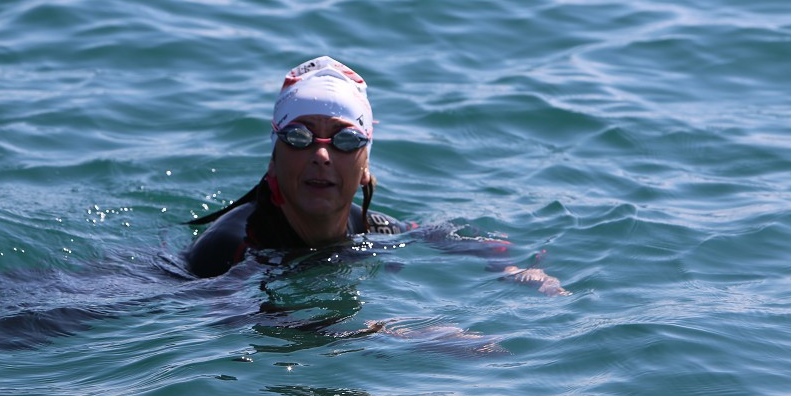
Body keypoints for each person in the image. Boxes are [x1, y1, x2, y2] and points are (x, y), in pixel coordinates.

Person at [184, 56, 568, 296]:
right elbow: (241, 324)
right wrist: (398, 335)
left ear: (366, 165)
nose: (321, 154)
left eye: (345, 140)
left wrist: (510, 265)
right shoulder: (230, 250)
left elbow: (429, 233)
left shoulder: (369, 227)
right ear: (273, 159)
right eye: (298, 137)